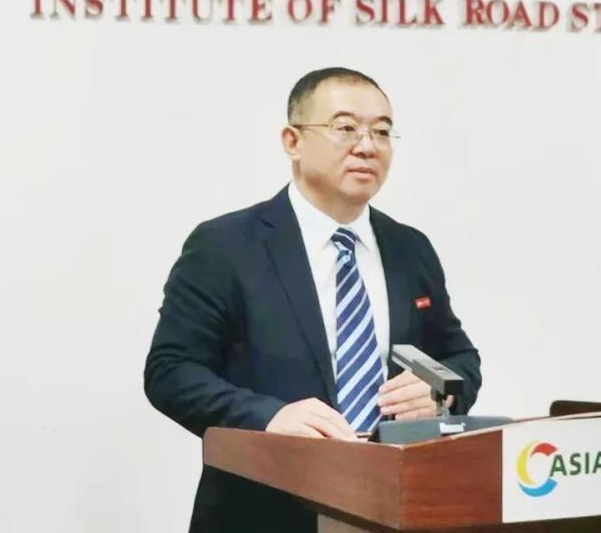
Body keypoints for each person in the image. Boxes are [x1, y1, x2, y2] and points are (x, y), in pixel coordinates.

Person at [144, 67, 482, 532]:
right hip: (264, 511)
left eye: (382, 132)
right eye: (346, 128)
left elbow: (459, 358)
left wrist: (441, 392)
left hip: (393, 508)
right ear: (293, 141)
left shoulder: (409, 248)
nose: (367, 146)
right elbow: (171, 372)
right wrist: (270, 417)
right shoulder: (226, 246)